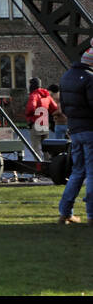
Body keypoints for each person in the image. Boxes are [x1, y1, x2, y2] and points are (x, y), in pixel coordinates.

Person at [57, 46, 93, 225]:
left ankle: (65, 212)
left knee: (77, 172)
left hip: (75, 130)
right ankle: (92, 215)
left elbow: (63, 107)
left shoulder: (66, 76)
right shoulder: (90, 78)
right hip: (90, 130)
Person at [24, 78, 57, 160]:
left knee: (36, 147)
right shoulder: (46, 95)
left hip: (36, 123)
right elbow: (54, 107)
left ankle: (38, 165)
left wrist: (27, 114)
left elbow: (31, 108)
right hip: (45, 123)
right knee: (46, 146)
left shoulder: (34, 95)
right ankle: (48, 163)